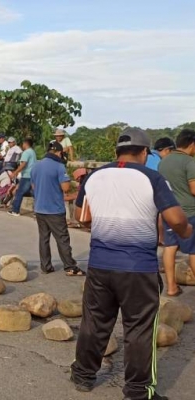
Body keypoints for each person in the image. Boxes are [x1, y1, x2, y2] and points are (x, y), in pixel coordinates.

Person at [70, 127, 192, 399]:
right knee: (139, 329)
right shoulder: (152, 177)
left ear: (117, 152)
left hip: (100, 265)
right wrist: (187, 232)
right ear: (144, 152)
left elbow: (82, 217)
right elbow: (175, 219)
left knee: (95, 322)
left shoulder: (93, 177)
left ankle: (83, 375)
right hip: (138, 269)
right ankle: (138, 391)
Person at [30, 141, 82, 275]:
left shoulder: (36, 166)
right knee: (62, 238)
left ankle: (46, 266)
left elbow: (34, 187)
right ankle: (70, 266)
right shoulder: (59, 166)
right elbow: (65, 187)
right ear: (59, 152)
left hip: (39, 208)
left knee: (44, 238)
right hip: (55, 209)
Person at [158, 129, 195, 297]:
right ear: (192, 144)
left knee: (170, 247)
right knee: (193, 251)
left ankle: (171, 287)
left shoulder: (163, 162)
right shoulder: (190, 162)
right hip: (189, 212)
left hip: (169, 211)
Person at [8, 138, 37, 217]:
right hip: (33, 175)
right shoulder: (33, 152)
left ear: (25, 144)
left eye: (23, 144)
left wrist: (15, 172)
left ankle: (15, 210)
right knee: (34, 193)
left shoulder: (26, 152)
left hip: (27, 175)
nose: (22, 145)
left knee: (19, 192)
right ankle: (38, 211)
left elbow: (23, 164)